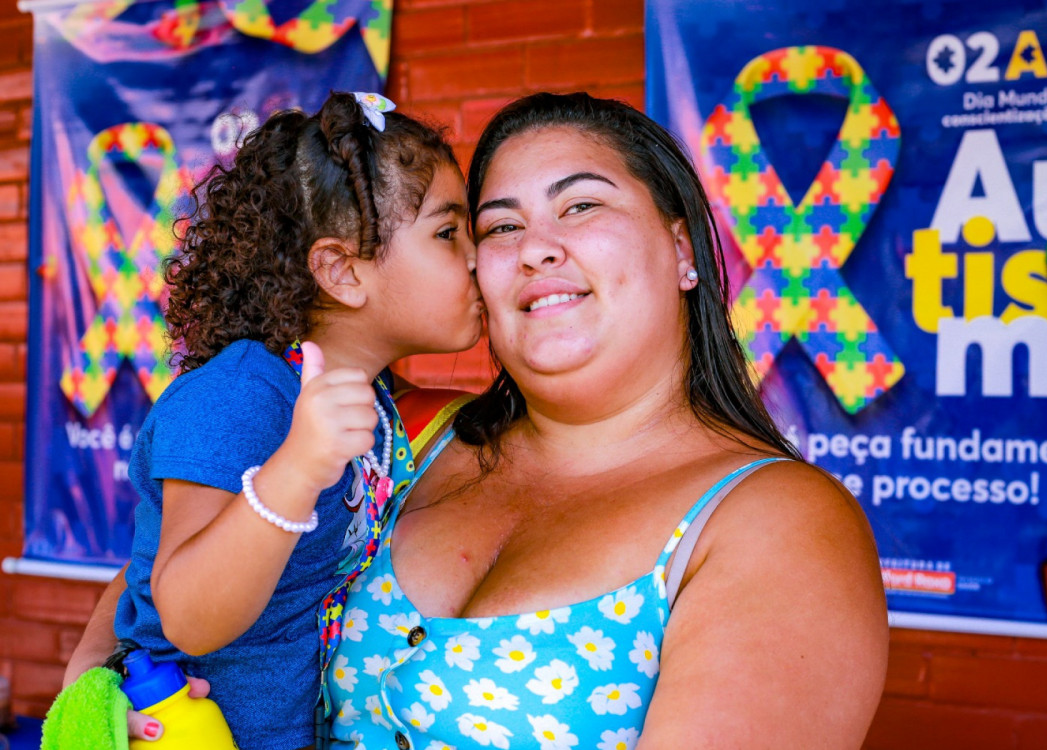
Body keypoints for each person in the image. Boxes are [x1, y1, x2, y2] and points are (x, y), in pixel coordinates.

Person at [323, 92, 888, 749]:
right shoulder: (399, 436)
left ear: (683, 249)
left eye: (581, 205)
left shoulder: (776, 521)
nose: (534, 249)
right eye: (501, 226)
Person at [63, 91, 482, 750]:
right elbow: (186, 615)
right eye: (447, 232)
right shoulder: (238, 397)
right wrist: (296, 470)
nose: (479, 256)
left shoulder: (367, 400)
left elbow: (144, 558)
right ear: (343, 271)